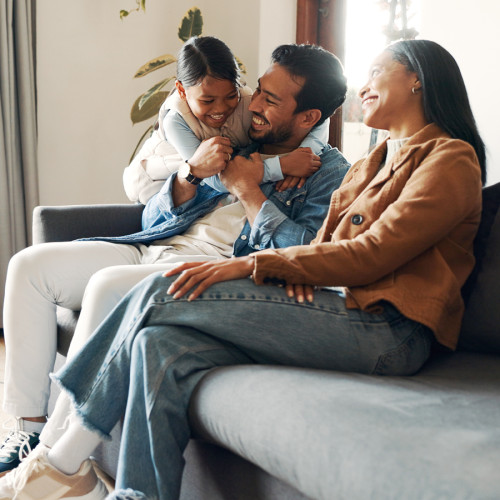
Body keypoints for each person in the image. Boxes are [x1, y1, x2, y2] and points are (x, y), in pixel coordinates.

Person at [2, 38, 486, 500]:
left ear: (418, 79)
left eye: (377, 72)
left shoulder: (449, 159)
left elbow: (370, 255)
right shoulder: (371, 165)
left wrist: (258, 264)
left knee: (158, 292)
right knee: (156, 344)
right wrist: (293, 273)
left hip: (388, 328)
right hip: (340, 306)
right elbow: (322, 249)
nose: (364, 86)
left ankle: (54, 466)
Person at [0, 41, 349, 476]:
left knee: (106, 284)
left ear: (309, 117)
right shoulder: (239, 138)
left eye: (270, 100)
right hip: (154, 247)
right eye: (257, 90)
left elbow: (307, 254)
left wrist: (250, 190)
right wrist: (189, 175)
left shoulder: (328, 173)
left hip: (207, 270)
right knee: (29, 268)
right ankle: (28, 428)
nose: (250, 104)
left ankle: (52, 460)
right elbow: (154, 212)